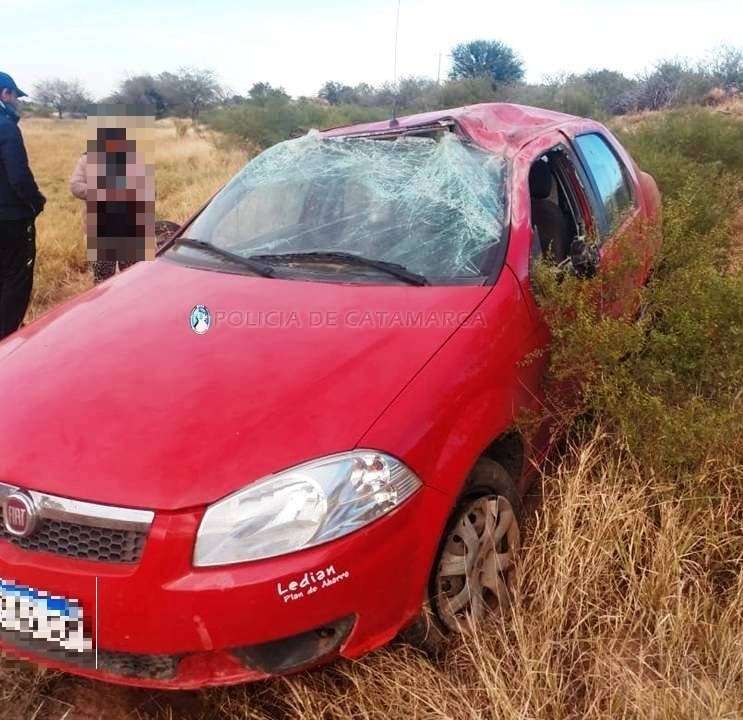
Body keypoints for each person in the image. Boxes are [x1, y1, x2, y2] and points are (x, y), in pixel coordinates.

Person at [0, 71, 45, 339]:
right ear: (6, 94)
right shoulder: (6, 126)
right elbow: (18, 175)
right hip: (10, 219)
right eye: (16, 96)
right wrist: (35, 202)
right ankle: (8, 341)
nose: (18, 101)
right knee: (16, 279)